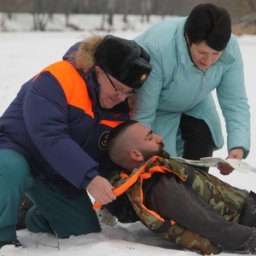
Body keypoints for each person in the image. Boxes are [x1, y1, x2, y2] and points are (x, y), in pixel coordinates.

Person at [0, 34, 152, 248]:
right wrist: (89, 178)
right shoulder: (57, 77)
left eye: (127, 92)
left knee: (83, 231)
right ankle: (3, 237)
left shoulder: (118, 108)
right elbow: (50, 135)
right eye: (118, 88)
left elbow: (106, 154)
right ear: (99, 70)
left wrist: (121, 198)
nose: (121, 97)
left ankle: (31, 215)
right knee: (8, 168)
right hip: (18, 152)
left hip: (58, 173)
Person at [131, 3, 250, 174]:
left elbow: (235, 101)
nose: (208, 62)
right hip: (158, 109)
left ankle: (197, 192)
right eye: (202, 53)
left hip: (197, 102)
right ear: (187, 38)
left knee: (204, 134)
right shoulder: (157, 48)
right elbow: (143, 112)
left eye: (216, 54)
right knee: (162, 168)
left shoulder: (230, 47)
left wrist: (238, 147)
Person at [105, 120, 256, 254]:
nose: (160, 138)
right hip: (247, 219)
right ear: (136, 155)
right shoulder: (161, 189)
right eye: (150, 138)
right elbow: (213, 227)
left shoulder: (159, 172)